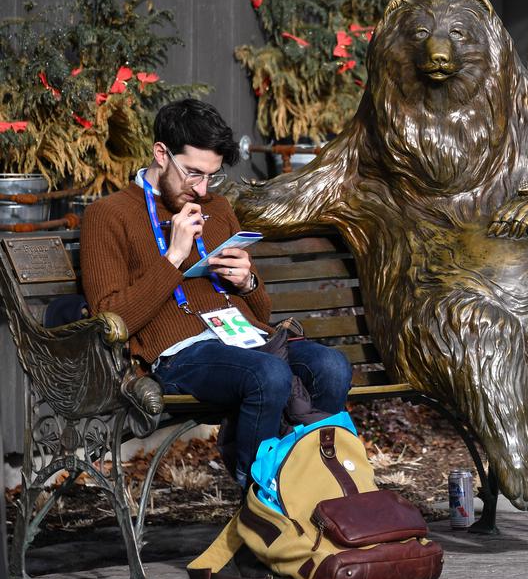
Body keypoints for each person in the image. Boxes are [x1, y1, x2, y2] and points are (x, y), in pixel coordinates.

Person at [81, 98, 352, 489]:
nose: (202, 189)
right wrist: (172, 257)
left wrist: (248, 282)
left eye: (211, 176)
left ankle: (309, 484)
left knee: (332, 366)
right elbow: (112, 320)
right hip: (177, 353)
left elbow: (261, 309)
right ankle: (257, 495)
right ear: (161, 154)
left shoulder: (218, 208)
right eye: (193, 173)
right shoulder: (109, 215)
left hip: (245, 339)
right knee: (270, 375)